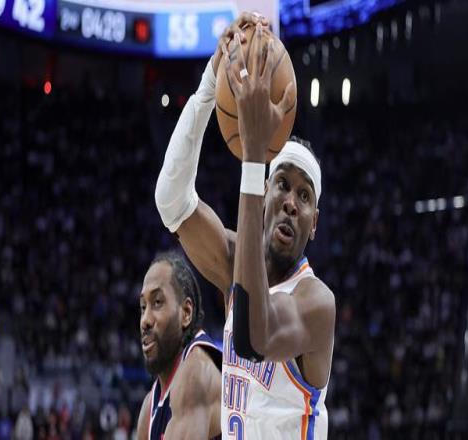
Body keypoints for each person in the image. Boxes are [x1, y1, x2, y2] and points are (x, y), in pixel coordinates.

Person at [155, 13, 335, 439]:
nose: (291, 203)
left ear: (313, 224)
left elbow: (255, 336)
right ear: (266, 193)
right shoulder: (235, 261)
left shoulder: (316, 303)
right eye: (283, 185)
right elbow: (172, 201)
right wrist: (209, 82)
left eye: (305, 197)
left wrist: (254, 156)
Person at [136, 251, 222, 439]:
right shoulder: (149, 407)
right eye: (143, 307)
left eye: (157, 302)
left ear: (186, 313)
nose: (145, 320)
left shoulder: (197, 372)